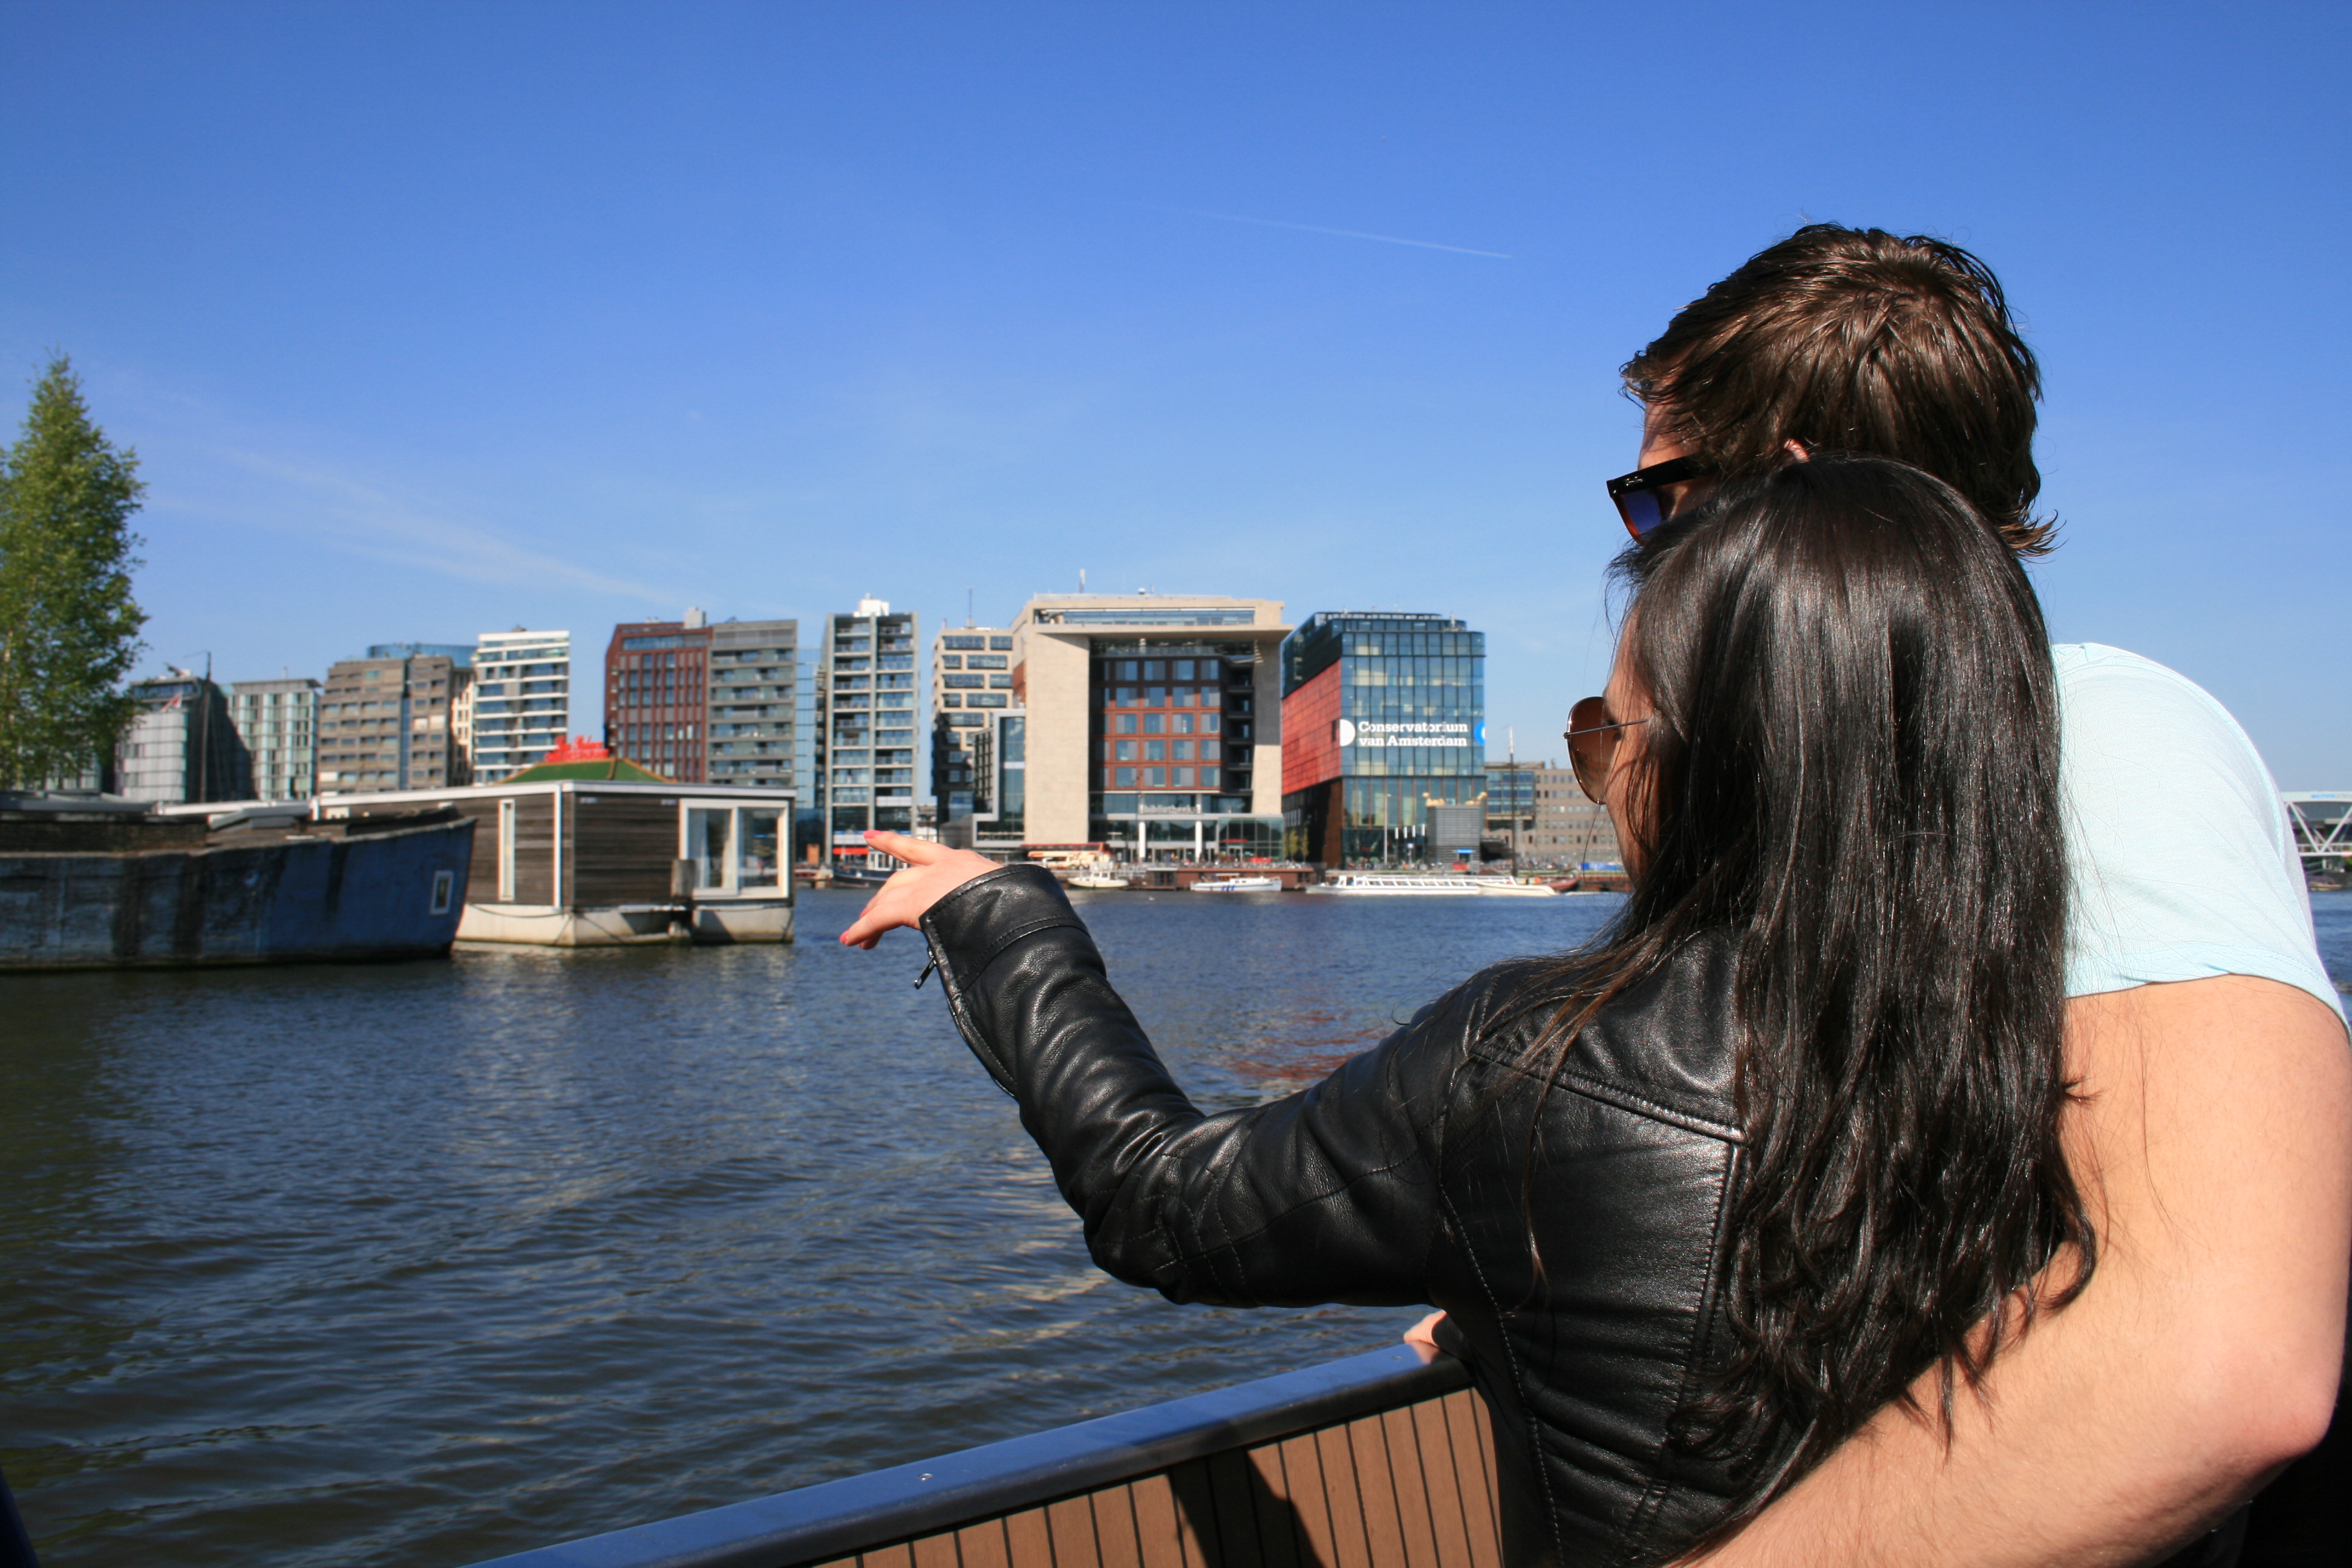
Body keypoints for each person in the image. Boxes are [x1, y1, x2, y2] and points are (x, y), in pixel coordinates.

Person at [846, 456, 2105, 1566]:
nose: (1602, 781)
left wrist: (1005, 913)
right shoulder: (2046, 1073)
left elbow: (1164, 1203)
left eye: (1607, 734)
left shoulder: (1552, 1069)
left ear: (1717, 764)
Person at [1584, 226, 2348, 1568]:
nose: (1642, 554)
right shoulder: (1872, 787)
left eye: (1658, 502)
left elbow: (2224, 1361)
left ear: (1787, 494)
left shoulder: (2098, 742)